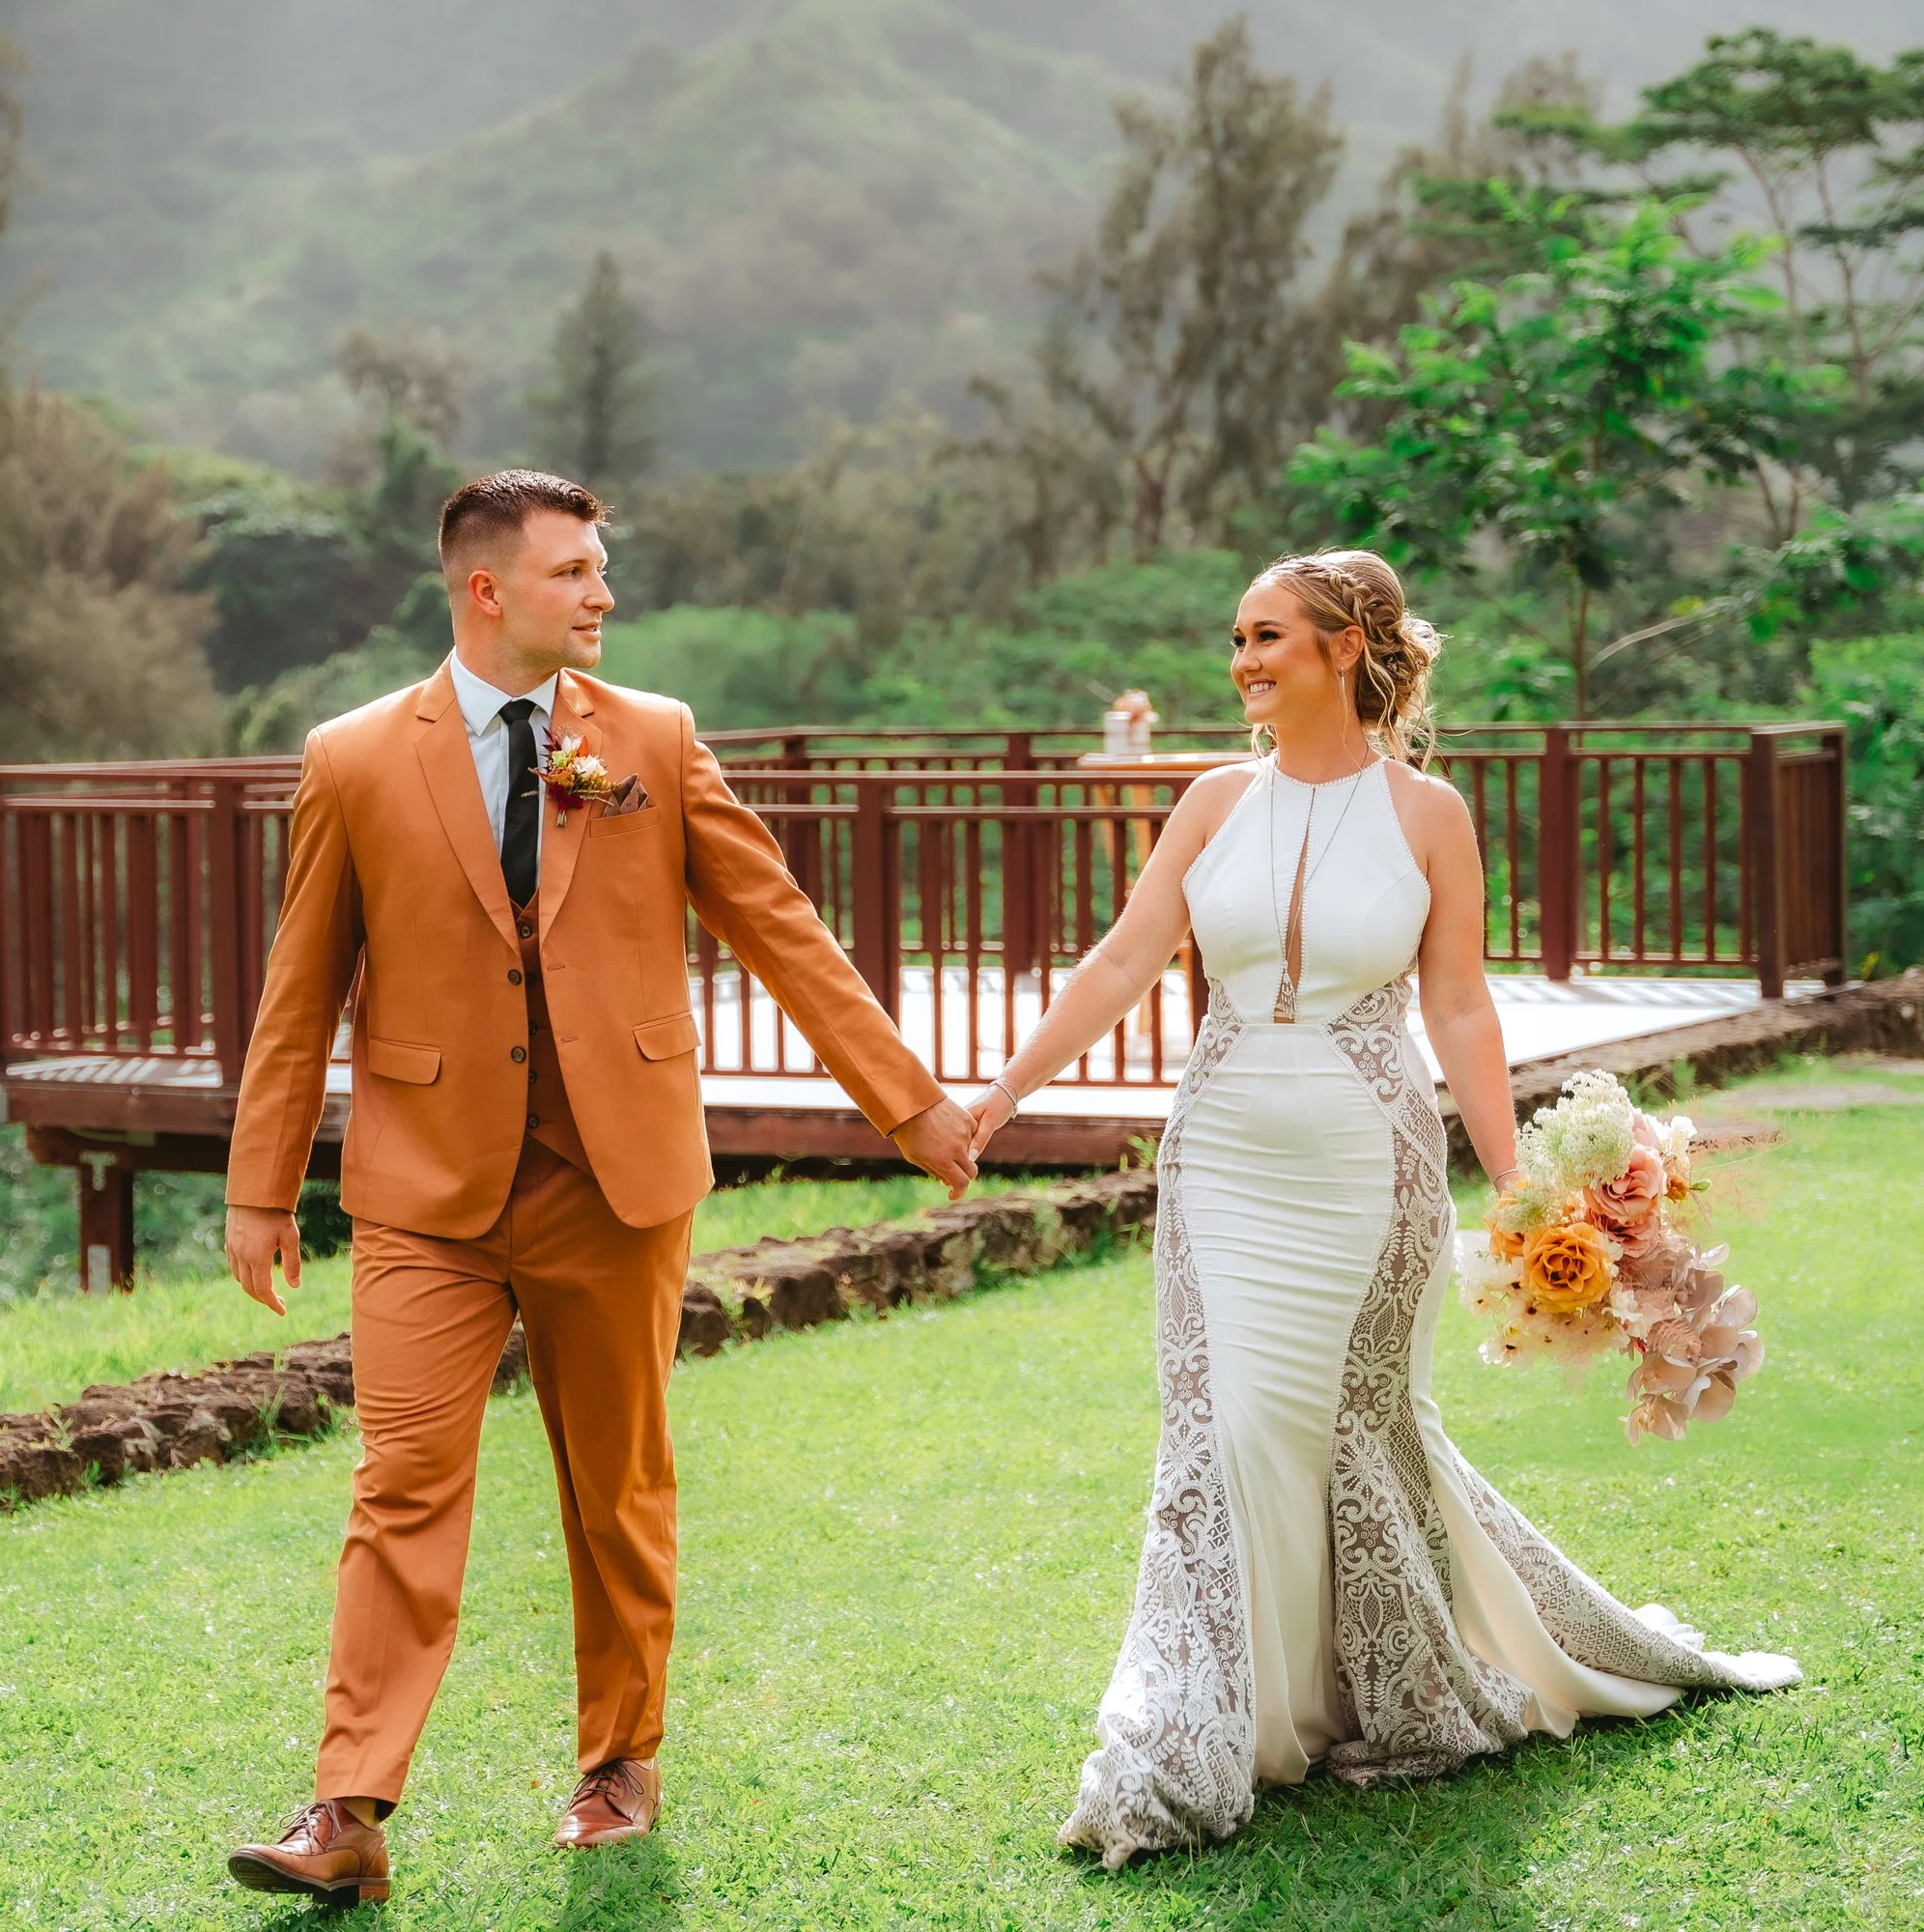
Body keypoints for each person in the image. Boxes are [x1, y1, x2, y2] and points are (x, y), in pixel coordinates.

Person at [966, 550, 1799, 1867]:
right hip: (1221, 1164)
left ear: (1345, 650)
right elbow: (1125, 957)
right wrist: (996, 1099)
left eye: (1268, 638)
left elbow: (1458, 1003)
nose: (1242, 662)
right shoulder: (1209, 798)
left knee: (1354, 1432)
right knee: (1229, 1428)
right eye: (1235, 639)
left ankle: (1369, 1691)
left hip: (1371, 1172)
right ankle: (1214, 1726)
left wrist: (1517, 1182)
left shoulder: (1431, 815)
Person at [220, 470, 976, 1907]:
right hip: (426, 1192)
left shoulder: (656, 740)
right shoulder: (355, 756)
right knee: (399, 1486)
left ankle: (618, 1763)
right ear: (486, 588)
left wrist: (911, 1101)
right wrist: (263, 1186)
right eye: (575, 571)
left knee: (614, 1489)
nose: (603, 594)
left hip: (615, 1181)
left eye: (601, 569)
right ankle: (347, 1809)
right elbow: (298, 986)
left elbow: (781, 929)